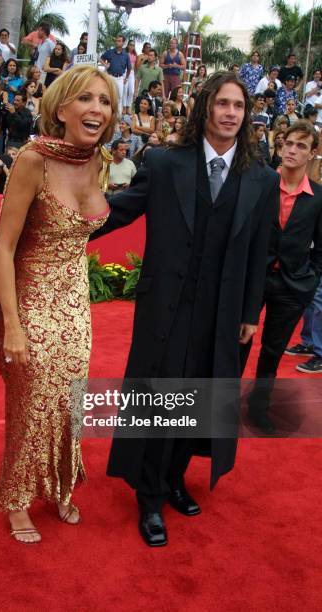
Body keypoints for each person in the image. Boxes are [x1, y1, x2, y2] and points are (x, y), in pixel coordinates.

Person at [90, 70, 279, 547]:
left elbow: (260, 251)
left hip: (223, 313)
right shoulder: (166, 161)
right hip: (167, 308)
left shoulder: (262, 178)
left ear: (246, 114)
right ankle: (150, 496)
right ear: (205, 109)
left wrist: (249, 313)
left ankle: (175, 476)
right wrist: (60, 227)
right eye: (222, 104)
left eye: (238, 106)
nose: (230, 114)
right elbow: (120, 209)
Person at [0, 65, 118, 544]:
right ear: (60, 107)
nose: (97, 109)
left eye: (106, 101)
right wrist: (11, 324)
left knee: (70, 403)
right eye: (86, 99)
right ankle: (16, 499)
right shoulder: (33, 160)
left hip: (76, 303)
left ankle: (59, 486)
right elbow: (4, 246)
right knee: (31, 402)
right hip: (30, 302)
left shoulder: (100, 161)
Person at [241, 121, 322, 434]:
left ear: (312, 153)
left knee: (273, 351)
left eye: (302, 145)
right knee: (238, 343)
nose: (292, 150)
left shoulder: (317, 198)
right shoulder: (260, 185)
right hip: (253, 281)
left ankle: (258, 409)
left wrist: (310, 279)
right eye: (288, 143)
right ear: (280, 145)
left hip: (292, 286)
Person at [101, 35, 132, 115]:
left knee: (119, 97)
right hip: (110, 76)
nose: (117, 42)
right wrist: (105, 64)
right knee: (108, 96)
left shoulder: (126, 55)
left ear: (123, 43)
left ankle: (117, 118)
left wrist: (126, 78)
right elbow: (101, 58)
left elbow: (129, 68)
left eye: (119, 41)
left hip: (120, 78)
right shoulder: (110, 52)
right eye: (116, 40)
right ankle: (107, 114)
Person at [123, 40, 137, 115]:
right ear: (128, 45)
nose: (132, 46)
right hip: (124, 72)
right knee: (125, 90)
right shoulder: (124, 53)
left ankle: (129, 106)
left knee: (131, 90)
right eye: (130, 45)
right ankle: (124, 107)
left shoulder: (134, 54)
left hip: (131, 73)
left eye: (133, 45)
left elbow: (135, 65)